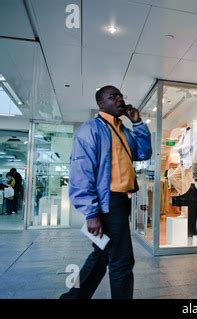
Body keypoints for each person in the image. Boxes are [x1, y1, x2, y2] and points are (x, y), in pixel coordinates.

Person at [60, 85, 152, 299]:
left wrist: (137, 122)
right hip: (108, 202)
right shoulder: (90, 129)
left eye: (121, 95)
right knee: (122, 260)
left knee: (102, 255)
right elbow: (81, 171)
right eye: (113, 97)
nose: (119, 99)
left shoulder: (122, 130)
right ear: (101, 104)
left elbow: (143, 152)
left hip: (120, 200)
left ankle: (71, 299)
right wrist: (91, 213)